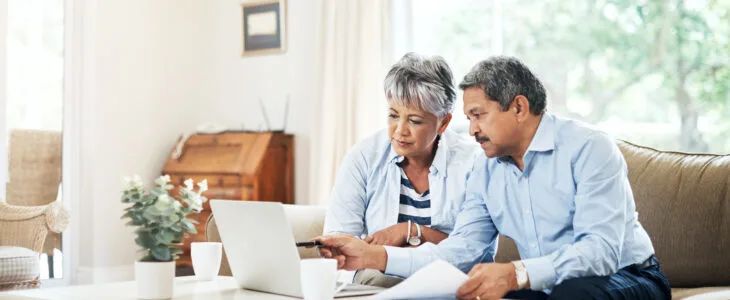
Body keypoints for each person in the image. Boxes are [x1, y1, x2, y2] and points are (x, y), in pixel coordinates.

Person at [317, 56, 671, 300]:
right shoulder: (485, 169)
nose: (470, 130)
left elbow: (601, 253)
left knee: (572, 294)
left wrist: (515, 273)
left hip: (629, 276)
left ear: (518, 107)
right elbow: (461, 250)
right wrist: (372, 256)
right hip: (551, 287)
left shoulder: (589, 148)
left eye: (478, 116)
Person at [322, 53, 491, 288]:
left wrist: (411, 231)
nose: (399, 131)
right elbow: (340, 240)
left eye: (414, 121)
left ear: (443, 123)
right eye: (393, 116)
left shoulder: (473, 163)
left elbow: (474, 250)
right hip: (377, 280)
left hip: (448, 280)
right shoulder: (363, 157)